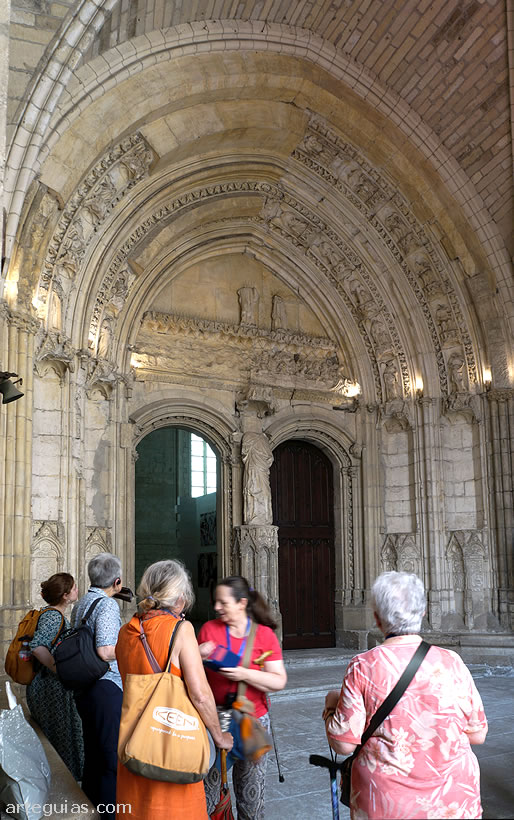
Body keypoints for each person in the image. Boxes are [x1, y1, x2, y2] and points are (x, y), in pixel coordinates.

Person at [324, 571, 488, 820]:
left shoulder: (363, 666)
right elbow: (477, 733)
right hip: (453, 801)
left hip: (387, 804)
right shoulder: (451, 662)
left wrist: (330, 709)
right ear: (423, 613)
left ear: (377, 619)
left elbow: (344, 744)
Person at [115, 559, 233, 820]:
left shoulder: (126, 632)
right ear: (180, 597)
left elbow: (144, 678)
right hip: (171, 747)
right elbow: (200, 695)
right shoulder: (182, 629)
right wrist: (219, 736)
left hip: (134, 746)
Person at [199, 576, 287, 820]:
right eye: (216, 602)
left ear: (241, 603)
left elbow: (279, 680)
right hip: (214, 722)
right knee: (208, 794)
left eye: (223, 602)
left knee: (252, 799)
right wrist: (198, 652)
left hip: (252, 722)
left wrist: (243, 673)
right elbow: (191, 672)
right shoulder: (209, 630)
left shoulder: (264, 635)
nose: (217, 607)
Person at [72, 553, 124, 817]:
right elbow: (105, 650)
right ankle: (108, 813)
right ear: (117, 581)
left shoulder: (82, 603)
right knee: (108, 759)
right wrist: (130, 646)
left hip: (85, 686)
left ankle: (90, 808)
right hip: (105, 687)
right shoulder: (107, 605)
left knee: (93, 753)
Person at [26, 573, 84, 780]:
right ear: (66, 595)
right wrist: (60, 670)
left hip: (50, 687)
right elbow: (38, 648)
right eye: (74, 588)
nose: (78, 590)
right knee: (58, 741)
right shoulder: (53, 616)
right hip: (49, 688)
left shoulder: (52, 613)